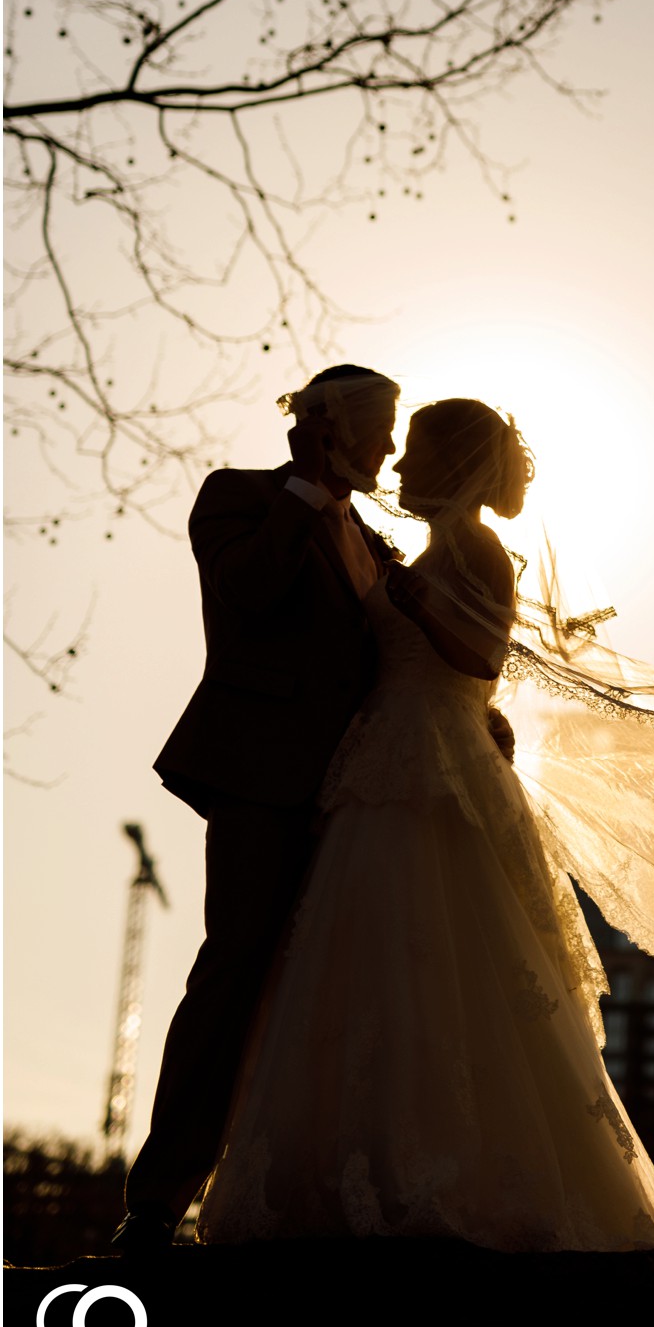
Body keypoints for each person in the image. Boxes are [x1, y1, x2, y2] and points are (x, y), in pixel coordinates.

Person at [196, 397, 654, 1255]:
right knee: (367, 958)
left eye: (415, 453)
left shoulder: (476, 550)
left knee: (445, 951)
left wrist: (416, 607)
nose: (397, 466)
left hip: (435, 766)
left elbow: (484, 660)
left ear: (453, 466)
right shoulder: (425, 550)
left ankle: (454, 1172)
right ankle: (364, 1167)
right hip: (381, 759)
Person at [115, 366, 511, 1254]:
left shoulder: (374, 537)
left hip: (361, 799)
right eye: (379, 433)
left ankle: (334, 1186)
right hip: (263, 782)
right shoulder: (239, 500)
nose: (389, 452)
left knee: (341, 992)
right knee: (234, 970)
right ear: (330, 428)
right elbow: (249, 593)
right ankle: (157, 1201)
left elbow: (409, 650)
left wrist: (477, 718)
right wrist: (303, 488)